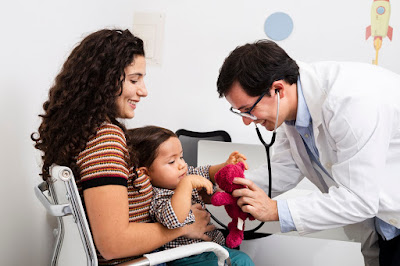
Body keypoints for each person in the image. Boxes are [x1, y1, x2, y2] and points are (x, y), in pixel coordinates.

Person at [31, 29, 215, 265]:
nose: (144, 90)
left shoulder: (83, 132)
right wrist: (183, 228)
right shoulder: (105, 138)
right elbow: (113, 244)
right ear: (103, 80)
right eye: (134, 80)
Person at [216, 39, 400, 266]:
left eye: (249, 110)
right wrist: (225, 187)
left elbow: (359, 199)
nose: (247, 122)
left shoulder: (350, 104)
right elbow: (288, 167)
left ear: (277, 89)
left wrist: (275, 210)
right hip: (383, 225)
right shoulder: (292, 108)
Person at [126, 125, 254, 266]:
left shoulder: (182, 177)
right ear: (146, 173)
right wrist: (186, 184)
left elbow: (207, 172)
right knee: (241, 261)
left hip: (207, 250)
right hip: (186, 258)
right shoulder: (158, 195)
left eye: (181, 157)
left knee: (240, 259)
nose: (182, 165)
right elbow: (173, 220)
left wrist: (225, 165)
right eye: (172, 162)